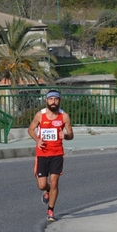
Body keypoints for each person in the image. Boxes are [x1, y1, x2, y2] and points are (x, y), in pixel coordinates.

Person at [27, 90, 74, 222]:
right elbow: (30, 129)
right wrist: (37, 140)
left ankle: (51, 210)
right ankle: (47, 191)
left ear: (60, 101)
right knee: (42, 185)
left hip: (57, 153)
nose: (53, 101)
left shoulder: (64, 116)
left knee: (54, 183)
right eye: (51, 99)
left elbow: (71, 135)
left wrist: (65, 136)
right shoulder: (40, 115)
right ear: (46, 101)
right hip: (42, 154)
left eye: (56, 99)